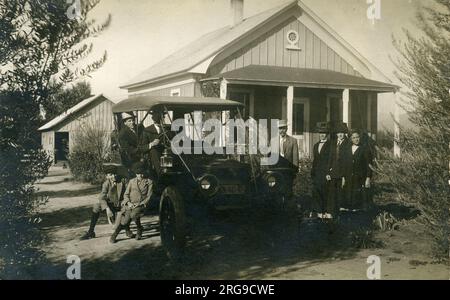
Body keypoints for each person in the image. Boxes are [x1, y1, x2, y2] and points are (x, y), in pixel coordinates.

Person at [80, 164, 134, 240]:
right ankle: (91, 231)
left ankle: (127, 229)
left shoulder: (123, 180)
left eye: (115, 174)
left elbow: (129, 193)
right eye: (111, 175)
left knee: (128, 209)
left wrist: (127, 202)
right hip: (112, 205)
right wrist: (107, 208)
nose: (114, 176)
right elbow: (101, 197)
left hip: (122, 204)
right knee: (96, 206)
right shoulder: (106, 184)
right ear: (107, 176)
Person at [110, 162, 153, 243]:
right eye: (138, 174)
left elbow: (149, 196)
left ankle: (139, 229)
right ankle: (114, 235)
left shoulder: (149, 182)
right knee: (125, 221)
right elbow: (126, 194)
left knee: (133, 214)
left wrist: (140, 204)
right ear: (135, 174)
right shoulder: (131, 181)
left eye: (141, 173)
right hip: (130, 204)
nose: (140, 176)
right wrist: (128, 202)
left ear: (144, 173)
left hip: (141, 205)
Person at [342, 129, 372, 211]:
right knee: (348, 200)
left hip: (360, 178)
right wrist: (343, 177)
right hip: (349, 178)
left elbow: (369, 165)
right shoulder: (347, 149)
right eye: (354, 137)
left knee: (359, 201)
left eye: (357, 137)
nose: (356, 139)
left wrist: (368, 178)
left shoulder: (365, 149)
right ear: (351, 139)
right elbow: (344, 165)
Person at [325, 122, 349, 219]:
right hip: (333, 172)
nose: (340, 134)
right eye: (338, 132)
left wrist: (344, 176)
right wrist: (328, 172)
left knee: (340, 194)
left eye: (342, 132)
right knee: (332, 194)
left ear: (345, 133)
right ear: (336, 133)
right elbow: (330, 158)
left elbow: (347, 162)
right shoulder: (333, 143)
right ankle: (332, 214)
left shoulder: (348, 143)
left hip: (342, 173)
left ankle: (339, 215)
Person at [311, 122, 331, 218]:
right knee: (317, 192)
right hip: (317, 173)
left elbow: (331, 160)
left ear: (327, 134)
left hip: (326, 173)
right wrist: (313, 172)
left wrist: (329, 172)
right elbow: (315, 160)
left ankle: (326, 212)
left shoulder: (331, 145)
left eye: (324, 133)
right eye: (320, 133)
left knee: (326, 192)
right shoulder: (315, 145)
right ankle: (319, 213)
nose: (322, 135)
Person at [142, 111, 165, 177]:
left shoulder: (166, 129)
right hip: (153, 155)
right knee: (154, 151)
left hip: (166, 153)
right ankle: (160, 175)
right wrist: (151, 144)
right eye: (160, 118)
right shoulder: (147, 130)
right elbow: (142, 147)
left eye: (163, 117)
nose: (162, 119)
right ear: (154, 119)